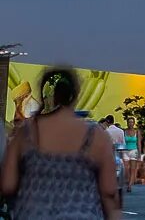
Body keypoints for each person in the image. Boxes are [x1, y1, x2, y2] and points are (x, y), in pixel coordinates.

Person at [2, 66, 121, 220]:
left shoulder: (27, 132)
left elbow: (8, 184)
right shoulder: (95, 134)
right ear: (75, 95)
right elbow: (109, 191)